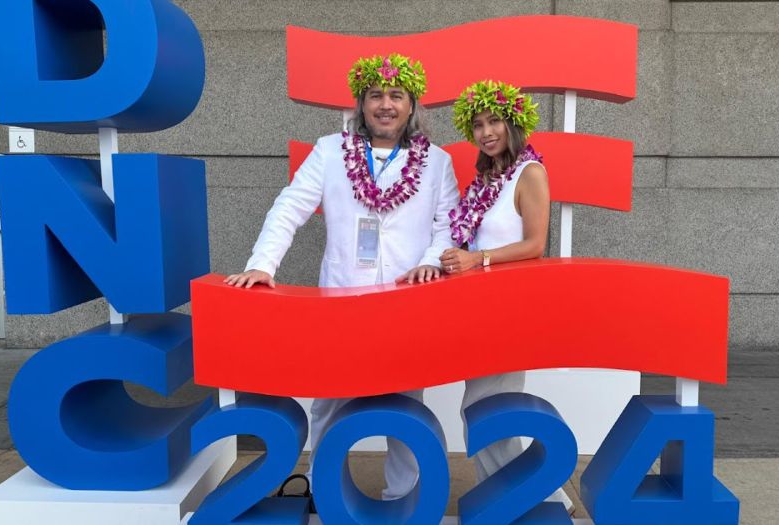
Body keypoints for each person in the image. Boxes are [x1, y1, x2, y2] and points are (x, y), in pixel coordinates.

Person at [225, 53, 459, 501]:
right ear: (361, 104)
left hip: (407, 299)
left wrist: (432, 259)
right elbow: (290, 205)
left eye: (396, 96)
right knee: (329, 397)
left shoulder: (438, 162)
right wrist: (262, 263)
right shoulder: (330, 150)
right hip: (341, 297)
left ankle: (405, 493)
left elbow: (447, 224)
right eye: (376, 95)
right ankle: (322, 485)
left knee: (407, 401)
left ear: (412, 105)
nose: (385, 105)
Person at [441, 80, 575, 512]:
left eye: (494, 120)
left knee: (486, 411)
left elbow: (535, 244)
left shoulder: (530, 173)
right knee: (485, 413)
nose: (486, 132)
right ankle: (507, 495)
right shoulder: (486, 179)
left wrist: (475, 258)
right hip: (479, 313)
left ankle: (537, 495)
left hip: (510, 312)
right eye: (478, 125)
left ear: (513, 123)